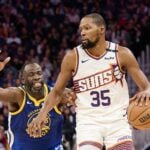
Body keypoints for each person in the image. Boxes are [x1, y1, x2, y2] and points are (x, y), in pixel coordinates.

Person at [28, 13, 150, 150]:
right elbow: (57, 92)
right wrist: (42, 113)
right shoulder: (72, 57)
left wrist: (147, 91)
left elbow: (146, 86)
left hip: (118, 122)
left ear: (101, 29)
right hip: (88, 123)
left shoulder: (122, 54)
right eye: (81, 29)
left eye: (87, 28)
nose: (82, 33)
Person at [0, 57, 75, 150]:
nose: (36, 77)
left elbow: (80, 94)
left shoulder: (57, 94)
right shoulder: (17, 95)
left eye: (39, 73)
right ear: (23, 80)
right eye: (31, 74)